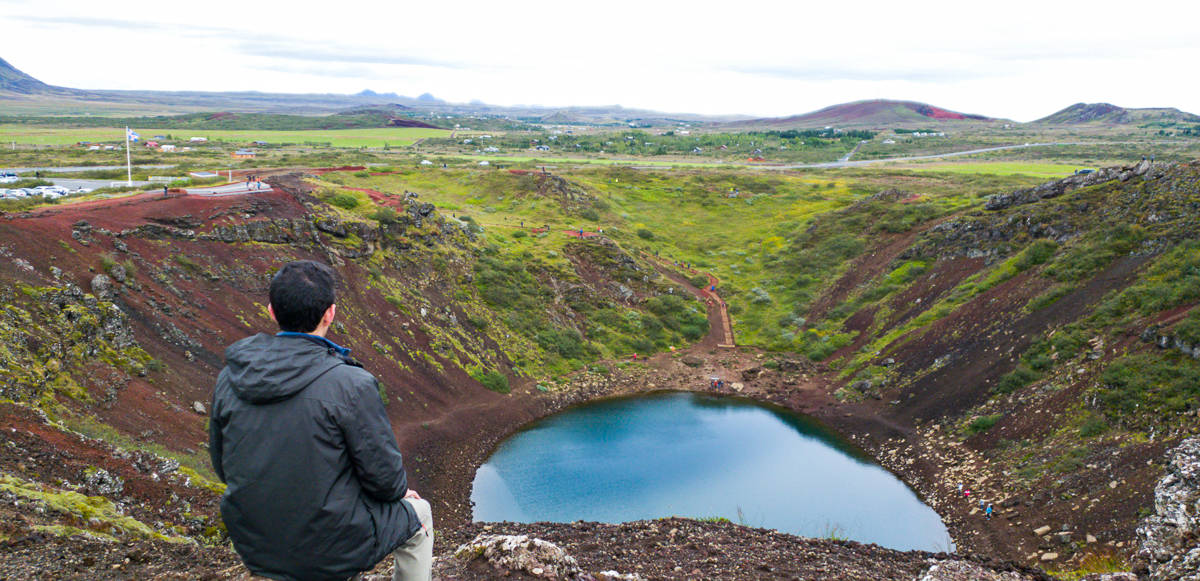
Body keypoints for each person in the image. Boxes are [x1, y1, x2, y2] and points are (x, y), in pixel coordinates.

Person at [209, 260, 432, 581]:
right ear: (330, 313)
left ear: (271, 311)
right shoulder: (350, 384)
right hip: (330, 549)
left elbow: (222, 466)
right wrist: (399, 495)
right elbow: (387, 482)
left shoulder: (230, 377)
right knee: (419, 514)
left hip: (255, 544)